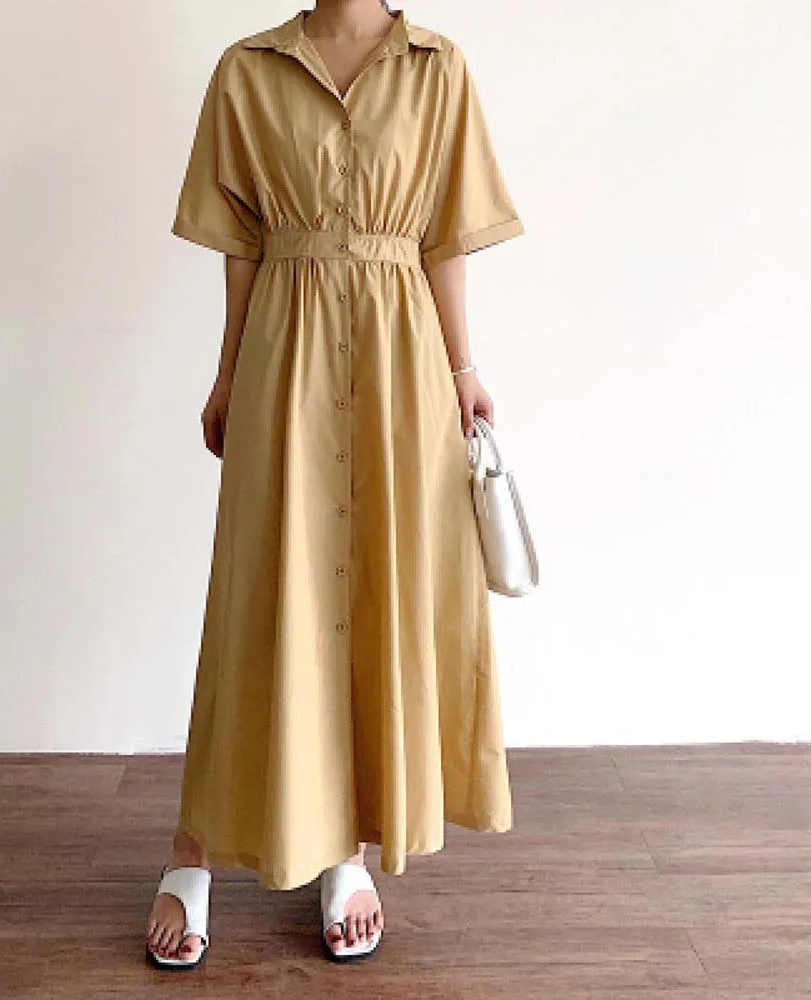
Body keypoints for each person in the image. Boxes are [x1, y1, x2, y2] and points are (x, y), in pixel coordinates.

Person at [146, 0, 524, 968]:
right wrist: (228, 374)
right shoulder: (247, 69)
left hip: (401, 361)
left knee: (376, 598)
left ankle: (344, 850)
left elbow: (444, 238)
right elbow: (240, 248)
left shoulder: (439, 69)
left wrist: (461, 368)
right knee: (262, 596)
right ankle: (193, 843)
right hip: (286, 356)